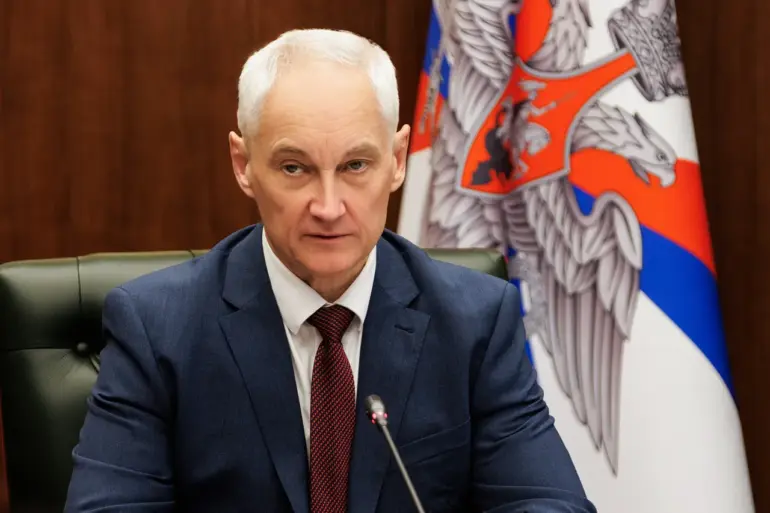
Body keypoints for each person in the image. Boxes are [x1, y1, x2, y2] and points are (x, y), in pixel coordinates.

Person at [64, 28, 595, 513]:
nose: (328, 206)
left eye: (355, 165)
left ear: (398, 160)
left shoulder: (476, 320)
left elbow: (548, 503)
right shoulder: (157, 329)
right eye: (294, 168)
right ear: (244, 166)